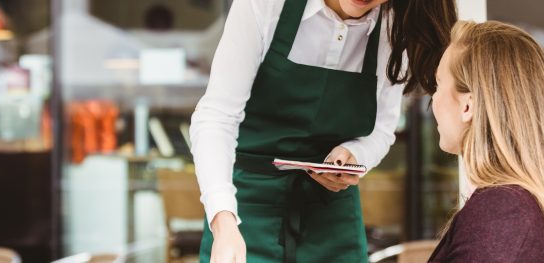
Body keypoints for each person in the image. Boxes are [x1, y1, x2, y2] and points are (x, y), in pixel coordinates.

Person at [188, 0, 456, 261]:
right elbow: (217, 117)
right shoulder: (267, 4)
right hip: (243, 210)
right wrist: (223, 221)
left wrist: (354, 155)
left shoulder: (393, 28)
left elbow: (382, 131)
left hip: (332, 219)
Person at [426, 20, 544, 263]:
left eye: (439, 84)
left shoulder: (501, 212)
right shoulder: (512, 207)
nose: (434, 100)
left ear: (468, 105)